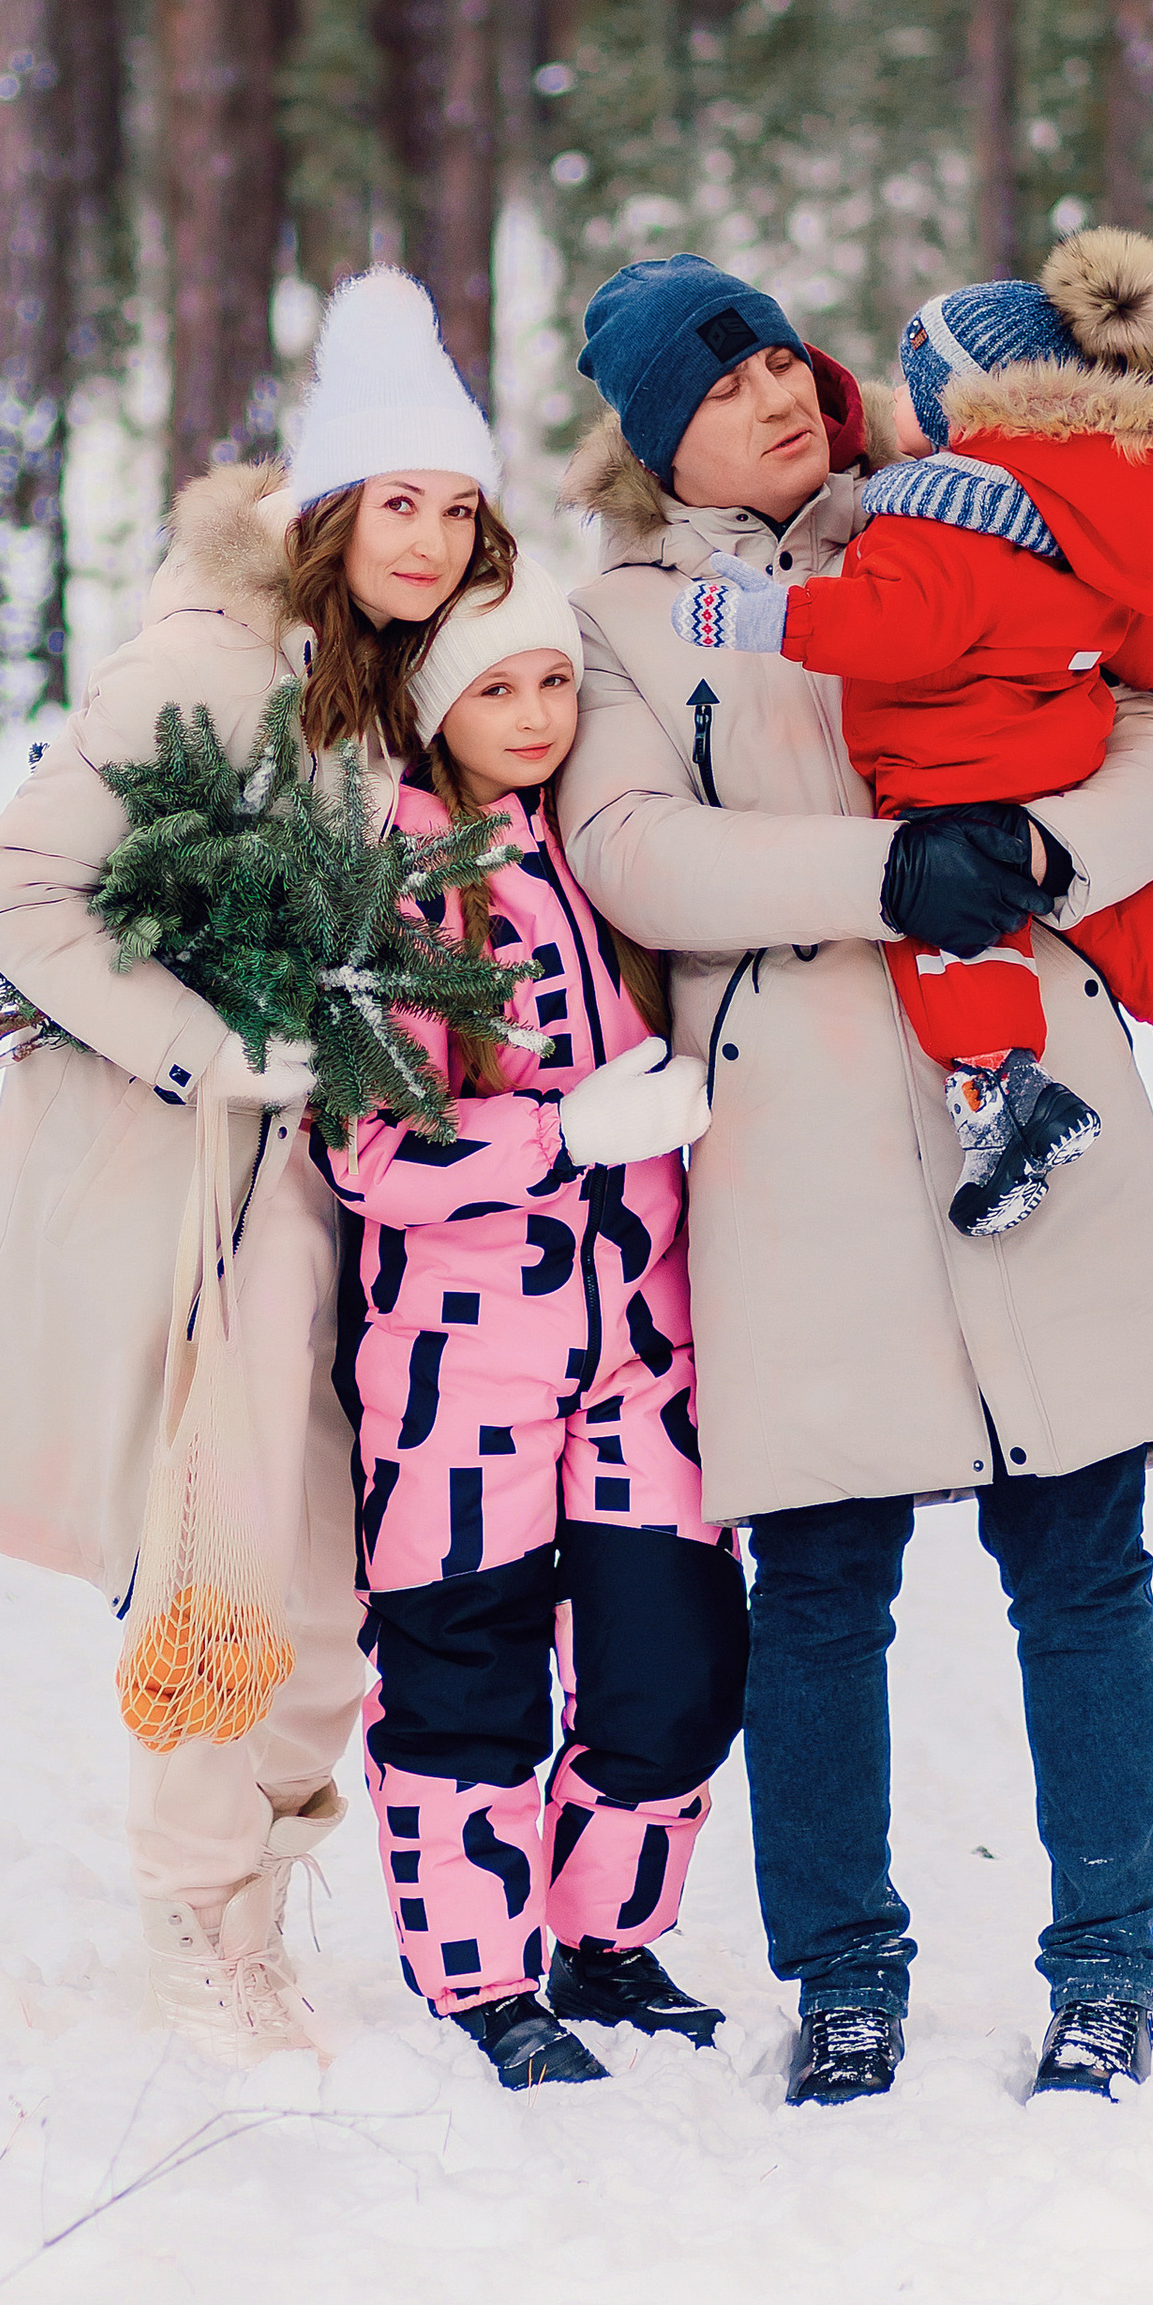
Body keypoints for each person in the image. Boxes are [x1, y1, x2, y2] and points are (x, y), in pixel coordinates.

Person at [556, 253, 1153, 2109]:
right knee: (821, 1580)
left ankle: (1109, 1968)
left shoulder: (968, 498)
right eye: (725, 390)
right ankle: (846, 1974)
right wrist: (881, 880)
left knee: (1085, 1556)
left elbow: (1145, 740)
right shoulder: (627, 618)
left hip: (1032, 1075)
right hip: (797, 1135)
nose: (779, 397)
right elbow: (631, 853)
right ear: (660, 442)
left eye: (784, 361)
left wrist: (1032, 850)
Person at [0, 269, 516, 2060]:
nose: (429, 541)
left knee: (331, 1598)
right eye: (397, 502)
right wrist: (218, 1047)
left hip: (364, 1193)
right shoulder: (204, 664)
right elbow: (19, 889)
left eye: (459, 510)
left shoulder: (392, 686)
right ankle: (202, 1929)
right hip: (222, 1199)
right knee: (227, 1571)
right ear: (327, 507)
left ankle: (249, 1882)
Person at [307, 557, 744, 2090]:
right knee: (464, 1680)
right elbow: (369, 1149)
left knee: (675, 1663)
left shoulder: (607, 848)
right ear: (436, 706)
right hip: (458, 1367)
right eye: (496, 687)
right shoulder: (394, 881)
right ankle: (484, 1983)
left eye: (555, 679)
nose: (537, 713)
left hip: (641, 1350)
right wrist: (568, 1132)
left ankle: (606, 1939)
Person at [674, 226, 1153, 1236]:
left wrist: (766, 618)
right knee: (1097, 894)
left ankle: (1002, 1093)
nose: (894, 404)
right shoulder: (1077, 514)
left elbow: (894, 625)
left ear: (961, 403)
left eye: (914, 383)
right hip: (1058, 756)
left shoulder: (938, 520)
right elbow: (1146, 624)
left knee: (956, 930)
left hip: (952, 769)